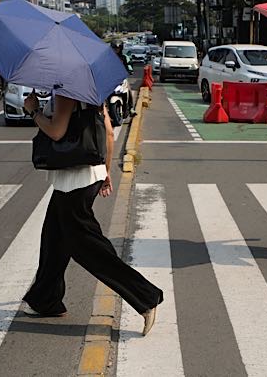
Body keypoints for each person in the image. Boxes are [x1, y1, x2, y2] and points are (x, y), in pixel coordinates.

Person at [22, 91, 163, 335]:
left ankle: (146, 297)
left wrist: (34, 111)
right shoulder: (91, 91)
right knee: (53, 240)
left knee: (88, 249)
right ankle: (46, 299)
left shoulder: (67, 92)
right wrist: (106, 171)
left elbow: (56, 131)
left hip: (74, 181)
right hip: (87, 175)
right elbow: (108, 131)